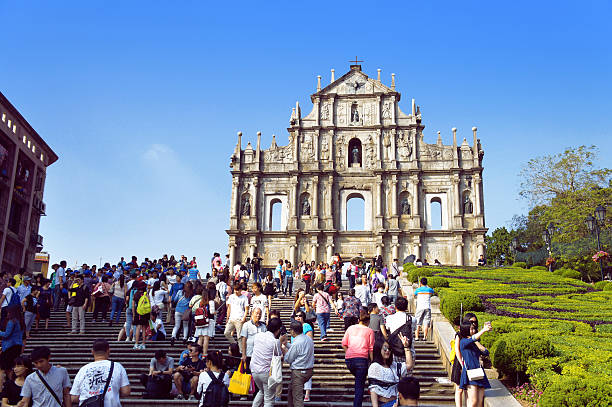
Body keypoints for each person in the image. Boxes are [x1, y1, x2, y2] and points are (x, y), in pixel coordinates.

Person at [70, 339, 130, 407]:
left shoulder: (83, 370)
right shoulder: (117, 367)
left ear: (92, 352)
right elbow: (126, 391)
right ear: (108, 351)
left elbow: (74, 397)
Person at [368, 335, 414, 407]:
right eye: (385, 348)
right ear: (378, 349)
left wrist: (406, 347)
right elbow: (373, 390)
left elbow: (409, 365)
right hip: (384, 404)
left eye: (389, 349)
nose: (387, 351)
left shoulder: (394, 366)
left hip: (396, 403)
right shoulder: (374, 367)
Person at [250, 317, 286, 407]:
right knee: (269, 399)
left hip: (254, 370)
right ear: (278, 330)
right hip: (266, 372)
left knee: (262, 392)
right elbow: (278, 356)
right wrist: (281, 343)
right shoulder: (275, 341)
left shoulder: (258, 336)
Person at [342, 310, 375, 407]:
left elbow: (344, 343)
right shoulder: (369, 331)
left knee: (359, 380)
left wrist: (348, 352)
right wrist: (372, 362)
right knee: (359, 387)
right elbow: (371, 348)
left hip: (349, 359)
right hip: (361, 359)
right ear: (368, 321)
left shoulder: (350, 328)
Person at [280, 320, 314, 407]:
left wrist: (284, 350)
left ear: (292, 331)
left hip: (299, 372)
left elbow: (288, 359)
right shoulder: (308, 339)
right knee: (291, 391)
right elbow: (298, 350)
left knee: (297, 398)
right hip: (308, 370)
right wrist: (286, 344)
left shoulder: (297, 342)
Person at [459, 321, 492, 407]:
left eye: (474, 329)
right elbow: (472, 339)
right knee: (473, 401)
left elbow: (485, 352)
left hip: (479, 372)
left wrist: (477, 342)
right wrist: (484, 330)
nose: (474, 330)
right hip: (470, 373)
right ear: (466, 329)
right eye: (471, 329)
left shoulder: (473, 343)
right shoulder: (463, 342)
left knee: (480, 401)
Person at [452, 313, 478, 407]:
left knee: (468, 389)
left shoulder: (475, 334)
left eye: (475, 322)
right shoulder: (459, 334)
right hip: (460, 362)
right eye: (471, 322)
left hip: (470, 363)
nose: (473, 324)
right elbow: (457, 350)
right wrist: (462, 364)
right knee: (459, 388)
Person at [385, 297, 414, 363]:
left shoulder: (389, 318)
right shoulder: (412, 319)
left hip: (394, 351)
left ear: (395, 307)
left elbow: (387, 328)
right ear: (406, 307)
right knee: (408, 372)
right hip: (408, 351)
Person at [224, 283, 249, 351]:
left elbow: (246, 309)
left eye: (237, 290)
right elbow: (229, 308)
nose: (235, 291)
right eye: (234, 290)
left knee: (239, 336)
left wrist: (244, 318)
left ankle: (241, 351)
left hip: (239, 318)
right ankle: (235, 344)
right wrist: (227, 317)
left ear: (240, 290)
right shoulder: (231, 296)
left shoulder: (244, 297)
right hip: (232, 318)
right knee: (226, 333)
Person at [0, 306, 24, 372]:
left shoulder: (12, 321)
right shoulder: (20, 321)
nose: (7, 314)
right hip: (18, 346)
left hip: (10, 346)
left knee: (4, 366)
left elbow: (6, 334)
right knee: (12, 366)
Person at [171, 281, 193, 345]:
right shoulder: (191, 294)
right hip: (185, 312)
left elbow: (175, 300)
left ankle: (173, 336)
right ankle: (184, 338)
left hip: (177, 310)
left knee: (176, 325)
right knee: (185, 326)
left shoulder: (180, 292)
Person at [132, 281, 150, 350]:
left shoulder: (136, 294)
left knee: (138, 328)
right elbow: (149, 304)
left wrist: (134, 314)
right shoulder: (146, 294)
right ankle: (143, 343)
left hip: (138, 312)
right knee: (144, 328)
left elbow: (133, 305)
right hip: (145, 313)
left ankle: (136, 343)